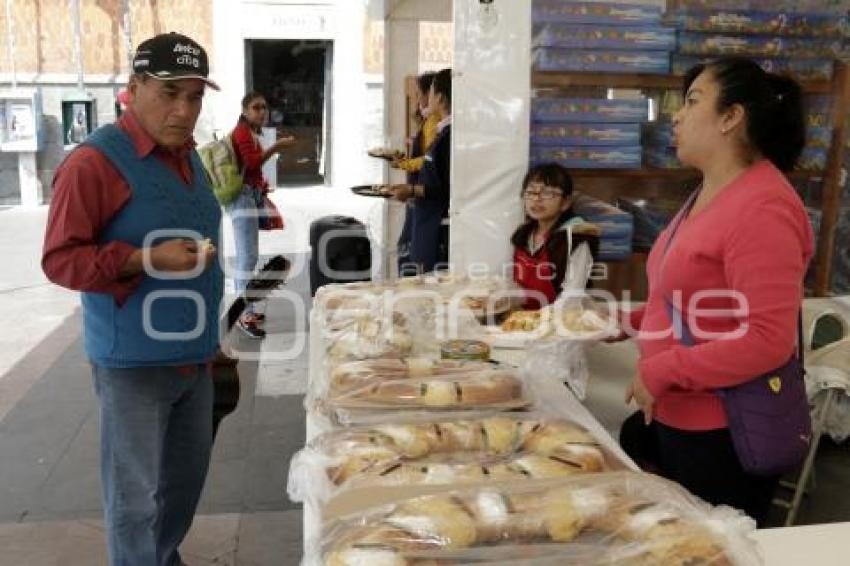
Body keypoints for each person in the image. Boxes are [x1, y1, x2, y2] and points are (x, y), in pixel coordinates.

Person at [42, 32, 224, 566]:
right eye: (170, 94)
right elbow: (59, 259)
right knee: (135, 499)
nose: (183, 110)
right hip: (134, 366)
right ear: (134, 87)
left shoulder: (190, 157)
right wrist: (144, 259)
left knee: (183, 488)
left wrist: (213, 339)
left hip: (195, 357)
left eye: (194, 97)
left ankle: (162, 558)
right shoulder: (94, 164)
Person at [616, 57, 814, 526]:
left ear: (731, 117)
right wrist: (622, 321)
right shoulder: (710, 190)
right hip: (676, 419)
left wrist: (664, 368)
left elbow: (767, 338)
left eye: (692, 101)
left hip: (722, 433)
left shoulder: (763, 206)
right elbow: (685, 297)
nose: (677, 116)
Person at [228, 91, 294, 338]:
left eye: (264, 107)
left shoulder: (250, 132)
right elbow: (253, 163)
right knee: (247, 258)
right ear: (245, 110)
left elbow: (251, 169)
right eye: (256, 108)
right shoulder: (242, 133)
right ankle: (243, 315)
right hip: (242, 199)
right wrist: (276, 146)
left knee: (249, 256)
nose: (262, 112)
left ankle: (248, 308)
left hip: (250, 196)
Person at [387, 67, 452, 274]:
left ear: (440, 98)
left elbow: (448, 189)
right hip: (426, 220)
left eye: (429, 91)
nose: (420, 98)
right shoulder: (442, 131)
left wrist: (411, 190)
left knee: (429, 284)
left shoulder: (450, 137)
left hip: (437, 226)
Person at [511, 163, 599, 310]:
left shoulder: (576, 237)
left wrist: (537, 320)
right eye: (531, 192)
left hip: (559, 322)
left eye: (547, 193)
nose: (537, 199)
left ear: (565, 202)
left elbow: (572, 296)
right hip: (523, 319)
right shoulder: (523, 234)